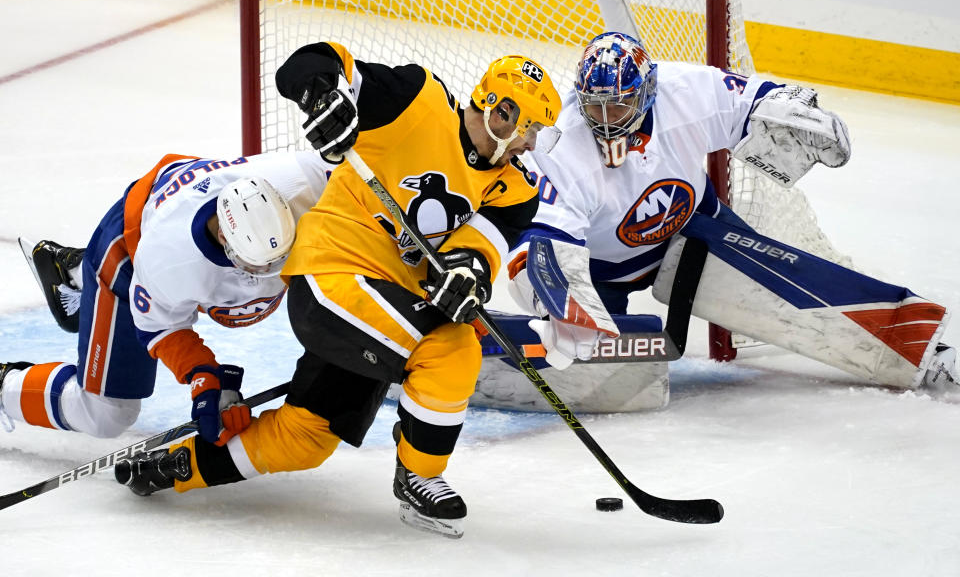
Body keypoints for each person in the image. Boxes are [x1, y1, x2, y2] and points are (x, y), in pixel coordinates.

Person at [114, 42, 562, 539]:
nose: (531, 142)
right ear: (501, 112)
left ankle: (173, 467)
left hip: (388, 306)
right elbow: (316, 60)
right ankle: (421, 475)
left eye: (541, 132)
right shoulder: (418, 100)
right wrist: (320, 91)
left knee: (305, 438)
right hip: (332, 277)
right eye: (530, 127)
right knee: (450, 349)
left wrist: (468, 272)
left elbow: (479, 249)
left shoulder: (516, 189)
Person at [506, 31, 956, 392]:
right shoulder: (561, 144)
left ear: (647, 93)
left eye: (619, 104)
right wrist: (568, 312)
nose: (605, 119)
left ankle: (922, 354)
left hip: (694, 233)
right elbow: (546, 247)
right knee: (594, 372)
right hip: (600, 268)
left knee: (798, 288)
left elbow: (754, 98)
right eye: (594, 105)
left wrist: (791, 108)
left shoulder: (685, 90)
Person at [0, 151, 330, 445]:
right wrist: (204, 378)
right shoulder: (169, 261)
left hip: (169, 206)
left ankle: (74, 272)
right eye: (256, 265)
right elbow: (160, 327)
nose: (272, 272)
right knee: (105, 413)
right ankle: (5, 384)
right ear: (222, 236)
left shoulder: (302, 180)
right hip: (128, 258)